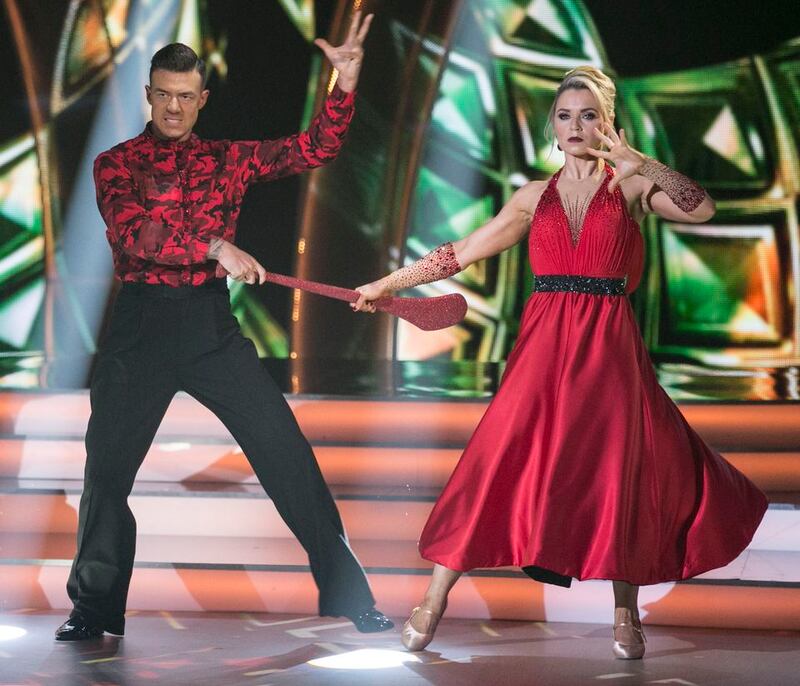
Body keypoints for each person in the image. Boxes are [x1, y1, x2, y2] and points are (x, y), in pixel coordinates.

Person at [352, 65, 767, 659]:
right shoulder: (531, 197)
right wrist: (386, 284)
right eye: (566, 115)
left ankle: (625, 611)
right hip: (543, 351)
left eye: (589, 114)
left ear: (608, 123)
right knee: (496, 462)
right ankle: (433, 599)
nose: (577, 125)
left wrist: (642, 162)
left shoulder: (629, 188)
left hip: (608, 352)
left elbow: (702, 211)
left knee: (613, 472)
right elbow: (461, 252)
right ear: (552, 126)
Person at [55, 13, 394, 642]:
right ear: (149, 96)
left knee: (287, 454)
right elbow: (137, 234)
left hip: (209, 326)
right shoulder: (115, 165)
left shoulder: (227, 158)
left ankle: (350, 597)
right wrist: (215, 245)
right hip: (140, 330)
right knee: (105, 472)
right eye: (165, 94)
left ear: (202, 98)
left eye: (187, 96)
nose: (175, 106)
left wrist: (342, 89)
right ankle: (95, 608)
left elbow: (313, 148)